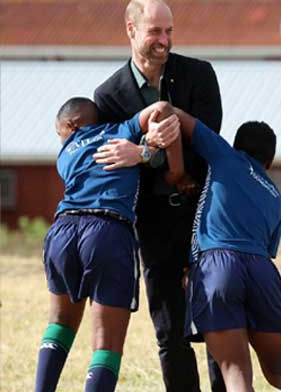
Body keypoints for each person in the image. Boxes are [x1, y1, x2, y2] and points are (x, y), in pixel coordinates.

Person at [92, 0, 225, 390]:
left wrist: (148, 151)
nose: (164, 40)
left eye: (169, 31)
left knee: (218, 319)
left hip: (204, 210)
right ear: (131, 31)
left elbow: (209, 144)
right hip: (151, 222)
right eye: (155, 31)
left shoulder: (200, 75)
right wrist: (150, 152)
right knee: (169, 328)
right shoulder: (108, 96)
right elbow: (116, 162)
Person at [158, 102, 281, 392]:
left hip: (218, 265)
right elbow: (265, 250)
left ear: (236, 145)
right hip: (263, 271)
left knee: (235, 371)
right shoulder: (276, 199)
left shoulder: (224, 155)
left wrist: (176, 169)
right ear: (269, 161)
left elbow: (170, 111)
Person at [36, 98, 185, 392]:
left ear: (71, 125)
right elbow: (163, 108)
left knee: (61, 323)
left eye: (59, 133)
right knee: (106, 341)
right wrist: (149, 147)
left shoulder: (66, 153)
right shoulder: (122, 131)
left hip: (63, 229)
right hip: (108, 229)